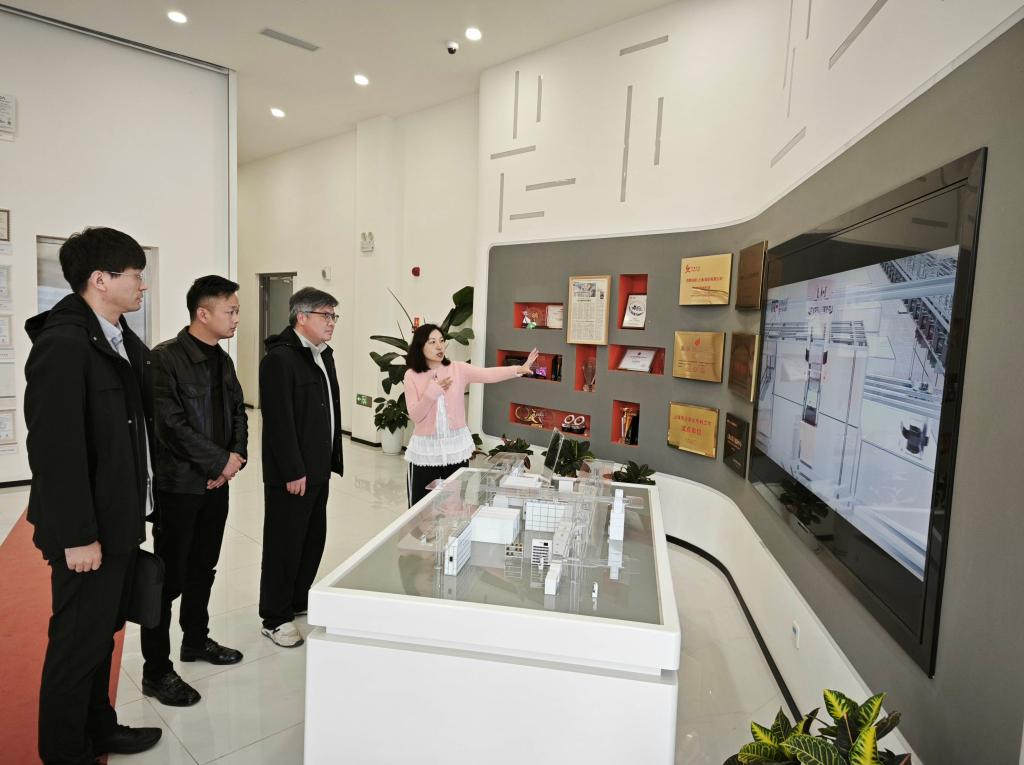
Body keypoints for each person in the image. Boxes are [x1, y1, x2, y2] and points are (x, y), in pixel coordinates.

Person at [24, 227, 162, 764]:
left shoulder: (116, 337)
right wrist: (78, 536)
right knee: (76, 645)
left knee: (101, 636)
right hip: (88, 532)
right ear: (100, 279)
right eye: (135, 275)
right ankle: (63, 753)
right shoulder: (64, 344)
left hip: (119, 519)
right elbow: (55, 452)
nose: (143, 285)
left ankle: (99, 729)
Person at [140, 275, 248, 706]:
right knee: (166, 580)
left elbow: (239, 411)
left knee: (204, 566)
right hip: (179, 487)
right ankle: (155, 670)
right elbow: (170, 426)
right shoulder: (164, 359)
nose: (236, 318)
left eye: (237, 310)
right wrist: (216, 461)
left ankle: (196, 640)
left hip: (215, 484)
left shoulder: (223, 359)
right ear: (203, 313)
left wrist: (233, 459)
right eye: (230, 311)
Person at [258, 287, 343, 648]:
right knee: (285, 544)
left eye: (334, 316)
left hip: (318, 468)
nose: (332, 322)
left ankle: (295, 600)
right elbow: (279, 422)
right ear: (302, 317)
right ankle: (274, 617)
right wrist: (293, 470)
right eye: (326, 315)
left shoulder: (322, 355)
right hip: (293, 474)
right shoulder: (280, 359)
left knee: (311, 539)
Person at [404, 324, 537, 506]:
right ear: (420, 346)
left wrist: (518, 369)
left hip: (455, 450)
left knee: (454, 507)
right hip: (425, 452)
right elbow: (415, 415)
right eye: (432, 342)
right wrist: (431, 393)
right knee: (419, 509)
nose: (439, 346)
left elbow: (488, 374)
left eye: (441, 341)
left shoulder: (458, 369)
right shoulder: (411, 375)